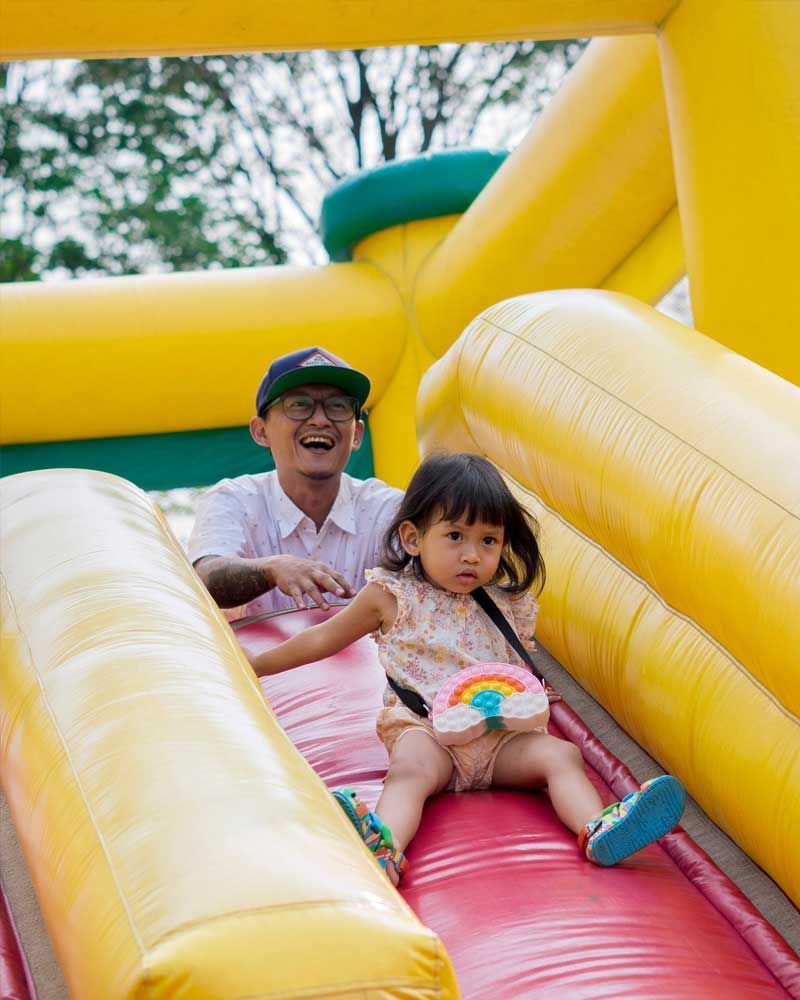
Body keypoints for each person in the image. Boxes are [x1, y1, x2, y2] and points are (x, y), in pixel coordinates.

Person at [245, 452, 686, 883]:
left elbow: (513, 669)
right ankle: (385, 849)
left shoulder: (506, 602)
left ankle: (597, 829)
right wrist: (257, 665)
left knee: (560, 755)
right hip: (428, 732)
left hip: (499, 739)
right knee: (410, 770)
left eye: (488, 541)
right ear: (414, 538)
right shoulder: (393, 595)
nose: (472, 555)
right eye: (455, 537)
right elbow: (324, 637)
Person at [188, 347, 402, 618]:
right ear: (261, 431)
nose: (321, 420)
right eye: (299, 405)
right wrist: (272, 569)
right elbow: (205, 578)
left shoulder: (389, 509)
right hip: (256, 661)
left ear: (357, 434)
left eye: (338, 406)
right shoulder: (233, 500)